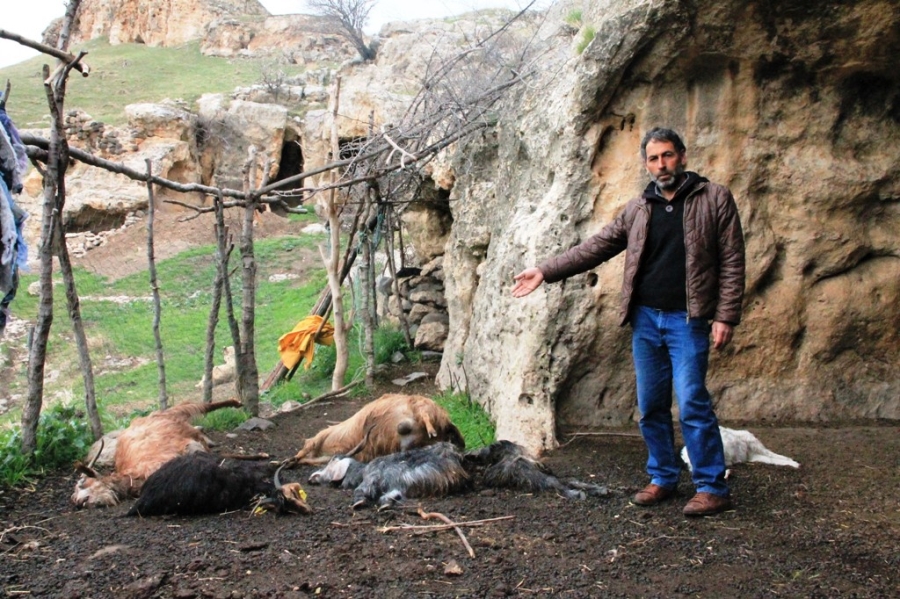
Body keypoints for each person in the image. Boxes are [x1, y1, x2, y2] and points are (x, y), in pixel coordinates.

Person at [512, 127, 745, 517]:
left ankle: (710, 487)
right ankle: (663, 478)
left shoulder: (714, 198)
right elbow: (596, 247)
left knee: (691, 402)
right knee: (650, 405)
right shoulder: (639, 208)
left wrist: (726, 315)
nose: (661, 165)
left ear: (682, 157)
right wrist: (544, 271)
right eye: (653, 159)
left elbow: (732, 260)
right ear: (646, 164)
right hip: (646, 321)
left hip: (688, 321)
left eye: (667, 156)